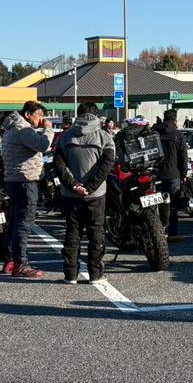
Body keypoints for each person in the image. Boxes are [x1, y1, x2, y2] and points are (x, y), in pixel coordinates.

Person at [51, 103, 116, 283]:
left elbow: (59, 165)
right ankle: (96, 274)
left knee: (73, 232)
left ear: (78, 114)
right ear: (97, 115)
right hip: (96, 195)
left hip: (71, 194)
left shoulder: (65, 137)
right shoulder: (105, 136)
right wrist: (90, 186)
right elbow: (107, 164)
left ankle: (70, 274)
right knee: (96, 232)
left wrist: (74, 185)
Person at [0, 102, 56, 279]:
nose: (41, 119)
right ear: (27, 114)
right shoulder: (23, 129)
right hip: (25, 180)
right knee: (24, 223)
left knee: (15, 221)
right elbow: (43, 145)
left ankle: (10, 260)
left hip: (13, 179)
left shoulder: (12, 127)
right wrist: (49, 129)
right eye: (39, 115)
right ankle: (20, 264)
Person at [156, 109, 188, 241]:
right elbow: (183, 156)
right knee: (173, 205)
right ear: (175, 119)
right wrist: (184, 173)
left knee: (157, 205)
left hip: (156, 174)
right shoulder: (178, 134)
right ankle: (173, 232)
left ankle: (158, 231)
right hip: (173, 174)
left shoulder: (155, 132)